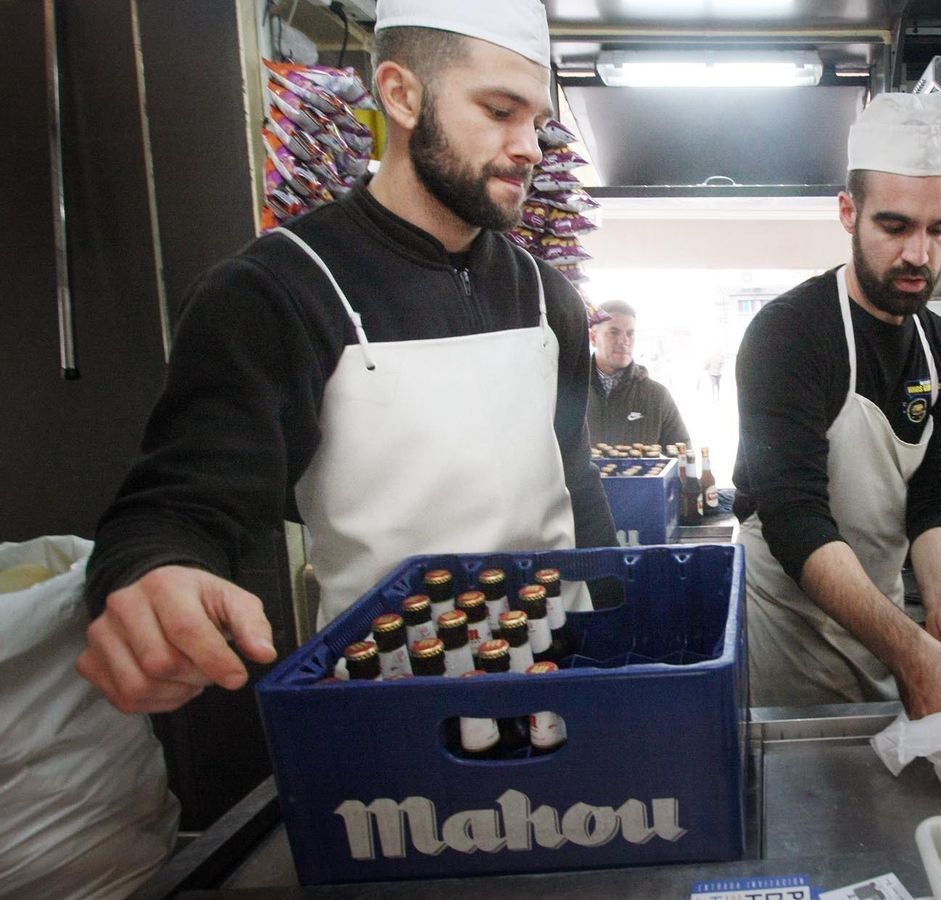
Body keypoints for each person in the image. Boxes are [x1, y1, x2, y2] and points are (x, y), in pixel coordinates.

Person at [77, 0, 615, 715]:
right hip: (387, 706)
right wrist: (153, 571)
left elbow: (577, 492)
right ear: (401, 95)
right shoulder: (280, 290)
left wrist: (620, 636)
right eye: (498, 111)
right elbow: (180, 505)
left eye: (536, 121)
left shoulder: (548, 299)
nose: (529, 148)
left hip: (558, 678)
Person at [732, 93, 941, 718]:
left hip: (888, 629)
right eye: (895, 227)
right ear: (849, 212)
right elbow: (793, 516)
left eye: (938, 229)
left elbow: (940, 495)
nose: (920, 255)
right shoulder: (788, 334)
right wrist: (906, 646)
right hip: (790, 648)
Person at [586, 300, 691, 448]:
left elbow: (683, 455)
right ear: (593, 338)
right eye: (613, 332)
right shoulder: (570, 393)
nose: (624, 341)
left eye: (630, 334)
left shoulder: (657, 396)